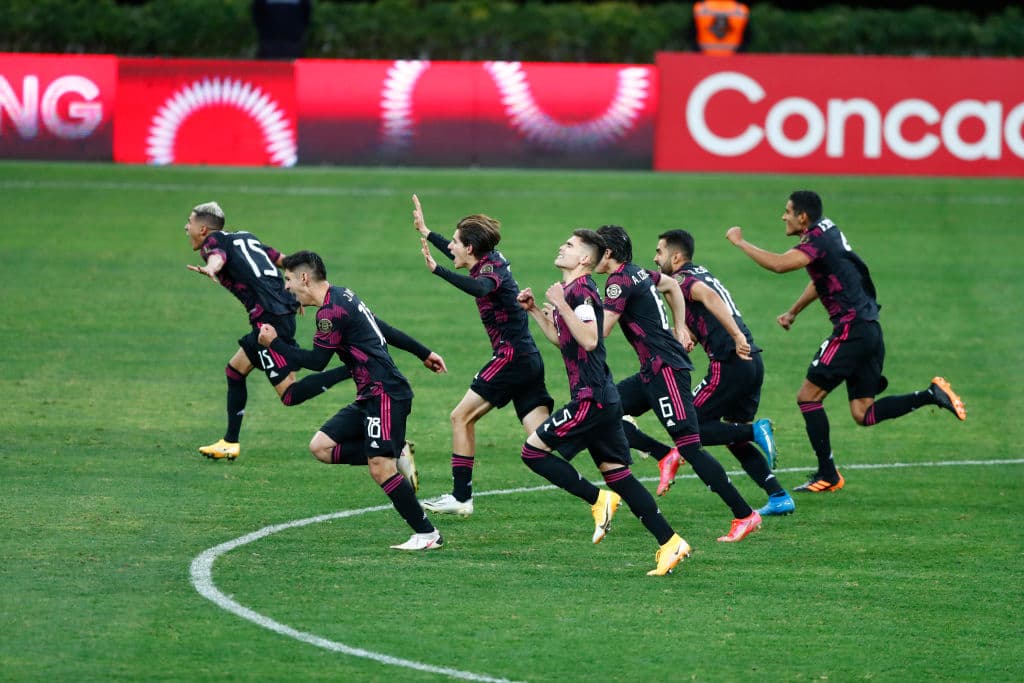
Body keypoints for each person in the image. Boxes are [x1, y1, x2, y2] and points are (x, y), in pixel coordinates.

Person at [726, 190, 967, 492]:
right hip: (869, 328)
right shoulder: (827, 230)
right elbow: (823, 280)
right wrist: (793, 311)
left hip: (851, 330)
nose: (783, 216)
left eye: (787, 211)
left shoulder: (816, 241)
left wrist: (739, 241)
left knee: (808, 397)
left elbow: (779, 264)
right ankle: (931, 394)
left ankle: (827, 473)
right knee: (863, 413)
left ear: (803, 217)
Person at [516, 229, 690, 576]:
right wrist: (536, 311)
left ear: (584, 258)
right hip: (602, 398)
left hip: (590, 399)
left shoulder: (579, 292)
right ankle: (672, 543)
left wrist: (562, 305)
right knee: (620, 476)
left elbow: (592, 340)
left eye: (569, 245)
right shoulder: (572, 291)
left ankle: (598, 501)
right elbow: (566, 341)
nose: (561, 246)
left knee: (532, 452)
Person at [257, 250, 448, 550]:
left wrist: (274, 344)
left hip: (384, 394)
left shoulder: (329, 313)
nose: (287, 287)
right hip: (370, 395)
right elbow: (381, 326)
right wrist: (424, 353)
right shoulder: (343, 295)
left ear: (304, 277)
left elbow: (317, 361)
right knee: (321, 447)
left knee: (379, 468)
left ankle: (427, 534)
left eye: (289, 279)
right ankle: (394, 452)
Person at [593, 225, 763, 542]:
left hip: (666, 372)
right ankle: (662, 454)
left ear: (607, 254)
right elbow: (670, 284)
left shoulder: (618, 283)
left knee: (691, 447)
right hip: (651, 371)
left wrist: (566, 314)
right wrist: (681, 326)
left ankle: (744, 514)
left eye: (592, 251)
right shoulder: (637, 273)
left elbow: (599, 334)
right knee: (603, 411)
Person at [410, 195, 554, 516]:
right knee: (543, 440)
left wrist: (438, 270)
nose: (451, 247)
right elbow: (460, 254)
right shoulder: (489, 259)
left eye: (456, 242)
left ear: (471, 249)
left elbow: (479, 288)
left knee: (460, 417)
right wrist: (427, 231)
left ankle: (461, 498)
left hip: (511, 358)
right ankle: (612, 448)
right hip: (526, 358)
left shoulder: (489, 275)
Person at [185, 201, 350, 462]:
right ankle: (230, 441)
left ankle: (350, 369)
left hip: (269, 321)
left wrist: (211, 268)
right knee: (235, 370)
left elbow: (218, 258)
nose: (186, 227)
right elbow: (282, 259)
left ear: (203, 228)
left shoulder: (212, 244)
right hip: (277, 312)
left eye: (190, 222)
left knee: (289, 394)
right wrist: (295, 292)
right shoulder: (245, 237)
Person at [652, 229, 795, 517]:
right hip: (751, 362)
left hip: (730, 361)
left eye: (659, 252)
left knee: (688, 425)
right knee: (732, 437)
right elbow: (703, 310)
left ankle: (755, 430)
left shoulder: (682, 280)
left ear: (676, 257)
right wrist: (690, 333)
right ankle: (778, 496)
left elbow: (710, 298)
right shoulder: (700, 272)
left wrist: (735, 336)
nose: (655, 258)